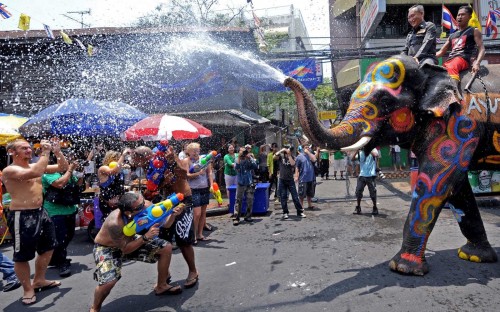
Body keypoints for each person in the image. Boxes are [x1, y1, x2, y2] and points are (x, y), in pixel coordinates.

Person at [89, 192, 183, 312]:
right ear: (128, 212)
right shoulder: (115, 223)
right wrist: (145, 238)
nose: (144, 206)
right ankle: (95, 308)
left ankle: (161, 285)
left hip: (132, 240)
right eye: (139, 206)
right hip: (107, 247)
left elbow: (167, 224)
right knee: (109, 281)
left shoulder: (147, 206)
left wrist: (173, 214)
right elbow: (125, 249)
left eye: (143, 202)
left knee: (166, 248)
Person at [2, 139, 69, 305]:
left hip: (41, 212)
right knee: (22, 256)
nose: (28, 150)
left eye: (28, 147)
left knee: (49, 247)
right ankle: (27, 289)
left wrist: (58, 152)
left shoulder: (34, 166)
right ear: (13, 152)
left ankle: (39, 280)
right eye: (23, 148)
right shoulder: (10, 170)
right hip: (22, 215)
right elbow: (38, 172)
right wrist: (45, 153)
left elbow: (62, 168)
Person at [154, 146, 199, 290]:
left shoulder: (181, 160)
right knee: (162, 239)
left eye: (167, 153)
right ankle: (164, 275)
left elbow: (184, 174)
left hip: (184, 200)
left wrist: (173, 159)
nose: (164, 155)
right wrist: (161, 181)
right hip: (166, 202)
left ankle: (193, 270)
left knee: (183, 238)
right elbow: (157, 185)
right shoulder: (158, 165)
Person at [42, 154, 83, 277]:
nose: (67, 161)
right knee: (60, 238)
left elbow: (78, 185)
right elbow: (60, 184)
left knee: (69, 235)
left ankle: (55, 258)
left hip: (69, 209)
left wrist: (81, 173)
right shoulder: (49, 172)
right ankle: (62, 262)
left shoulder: (68, 171)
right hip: (54, 211)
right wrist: (70, 169)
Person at [436, 5, 485, 90]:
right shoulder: (452, 35)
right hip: (450, 60)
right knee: (439, 72)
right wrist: (426, 56)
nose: (459, 17)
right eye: (458, 15)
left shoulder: (474, 31)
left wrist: (477, 63)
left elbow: (482, 49)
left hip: (463, 59)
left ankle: (454, 93)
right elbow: (441, 52)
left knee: (452, 66)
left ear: (469, 17)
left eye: (463, 15)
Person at [186, 143, 213, 243]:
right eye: (194, 151)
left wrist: (211, 185)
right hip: (194, 189)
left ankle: (200, 234)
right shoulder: (187, 161)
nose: (196, 153)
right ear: (188, 152)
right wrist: (198, 173)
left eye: (197, 150)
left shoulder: (204, 159)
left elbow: (209, 172)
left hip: (205, 188)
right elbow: (187, 175)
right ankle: (193, 235)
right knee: (196, 213)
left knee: (203, 213)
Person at [274, 147, 305, 219]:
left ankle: (299, 211)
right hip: (282, 180)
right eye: (287, 151)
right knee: (283, 197)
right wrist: (282, 150)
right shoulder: (280, 157)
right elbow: (274, 156)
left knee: (295, 197)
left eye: (289, 151)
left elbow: (293, 164)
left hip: (290, 180)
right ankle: (285, 212)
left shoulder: (293, 157)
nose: (288, 152)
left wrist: (289, 155)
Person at [97, 149, 130, 218]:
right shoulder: (103, 168)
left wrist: (127, 170)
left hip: (119, 202)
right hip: (107, 202)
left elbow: (126, 182)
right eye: (116, 159)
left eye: (118, 159)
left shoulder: (119, 170)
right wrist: (123, 155)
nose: (118, 161)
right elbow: (113, 171)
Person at [233, 147, 258, 225]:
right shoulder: (237, 158)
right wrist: (239, 158)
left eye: (244, 152)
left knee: (250, 200)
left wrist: (250, 158)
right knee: (238, 200)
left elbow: (255, 166)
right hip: (240, 183)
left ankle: (248, 216)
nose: (243, 153)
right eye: (241, 151)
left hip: (249, 182)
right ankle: (236, 217)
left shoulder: (249, 158)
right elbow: (236, 167)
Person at [352, 148, 379, 216]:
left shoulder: (373, 149)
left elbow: (376, 154)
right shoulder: (360, 152)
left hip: (371, 176)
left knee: (372, 193)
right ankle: (358, 207)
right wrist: (357, 150)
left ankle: (375, 207)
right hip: (362, 176)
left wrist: (368, 149)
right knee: (358, 192)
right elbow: (352, 159)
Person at [295, 146, 317, 210]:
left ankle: (309, 205)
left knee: (310, 193)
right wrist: (296, 176)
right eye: (306, 147)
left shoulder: (310, 155)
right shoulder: (299, 157)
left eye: (308, 147)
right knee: (301, 193)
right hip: (303, 178)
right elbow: (297, 167)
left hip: (311, 177)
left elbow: (314, 159)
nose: (307, 148)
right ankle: (301, 206)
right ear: (303, 148)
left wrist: (308, 153)